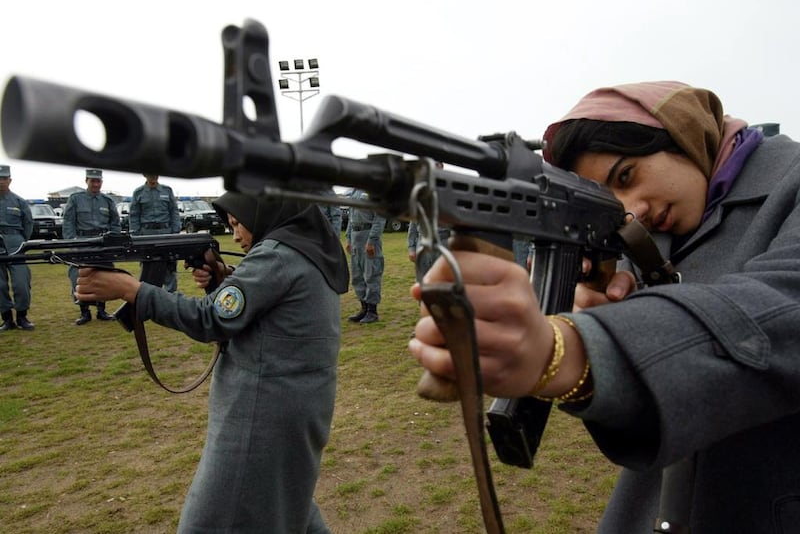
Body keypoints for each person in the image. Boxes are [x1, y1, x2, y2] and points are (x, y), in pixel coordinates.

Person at [409, 81, 800, 533]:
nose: (633, 211)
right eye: (613, 202)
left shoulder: (788, 181)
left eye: (627, 176)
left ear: (680, 133)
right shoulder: (662, 227)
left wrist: (569, 349)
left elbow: (781, 306)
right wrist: (602, 304)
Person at [75, 191, 349, 533]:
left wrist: (133, 290)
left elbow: (210, 320)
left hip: (260, 416)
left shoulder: (276, 256)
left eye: (238, 223)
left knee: (209, 523)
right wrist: (223, 280)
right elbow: (268, 313)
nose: (234, 235)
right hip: (294, 408)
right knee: (287, 506)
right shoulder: (304, 249)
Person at [62, 168, 121, 325]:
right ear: (86, 181)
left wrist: (113, 242)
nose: (95, 184)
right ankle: (84, 312)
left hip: (102, 243)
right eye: (92, 181)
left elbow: (115, 223)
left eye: (98, 181)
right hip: (82, 242)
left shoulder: (107, 201)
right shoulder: (76, 199)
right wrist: (71, 241)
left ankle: (102, 310)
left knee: (104, 275)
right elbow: (68, 221)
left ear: (101, 182)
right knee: (79, 277)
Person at [129, 173, 182, 292]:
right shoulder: (138, 192)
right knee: (148, 267)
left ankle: (170, 299)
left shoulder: (167, 190)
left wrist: (175, 232)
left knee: (169, 265)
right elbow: (134, 215)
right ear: (145, 175)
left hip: (166, 233)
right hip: (147, 234)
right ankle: (148, 299)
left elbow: (174, 212)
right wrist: (136, 236)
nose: (153, 177)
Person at [0, 165, 35, 331]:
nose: (1, 181)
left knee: (21, 281)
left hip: (15, 240)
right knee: (0, 285)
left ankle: (22, 316)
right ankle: (7, 319)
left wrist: (21, 241)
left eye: (4, 178)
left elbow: (28, 223)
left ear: (10, 180)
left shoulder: (19, 201)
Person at [345, 189, 386, 324]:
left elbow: (380, 217)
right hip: (356, 237)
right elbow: (351, 217)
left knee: (371, 274)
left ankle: (372, 311)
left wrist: (372, 240)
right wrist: (348, 238)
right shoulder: (353, 191)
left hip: (368, 236)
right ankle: (364, 308)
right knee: (357, 276)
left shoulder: (374, 190)